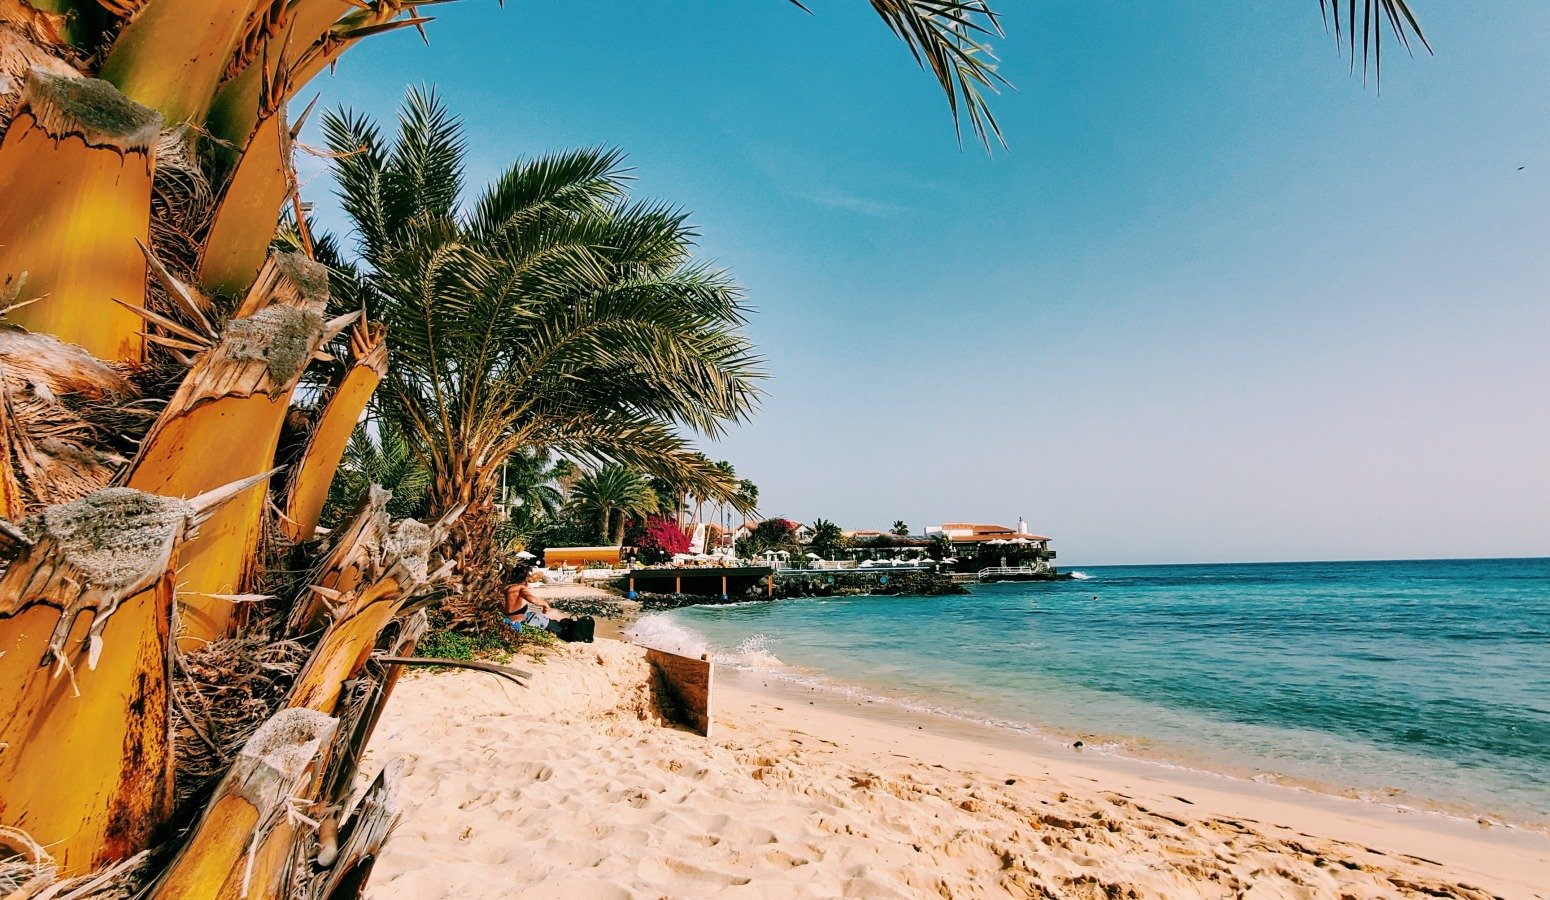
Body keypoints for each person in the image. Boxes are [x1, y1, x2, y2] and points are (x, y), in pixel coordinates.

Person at [500, 562, 595, 643]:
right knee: (560, 627)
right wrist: (545, 604)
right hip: (528, 621)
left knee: (554, 613)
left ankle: (570, 625)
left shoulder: (504, 588)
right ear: (524, 577)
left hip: (522, 618)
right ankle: (575, 632)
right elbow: (532, 599)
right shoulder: (520, 588)